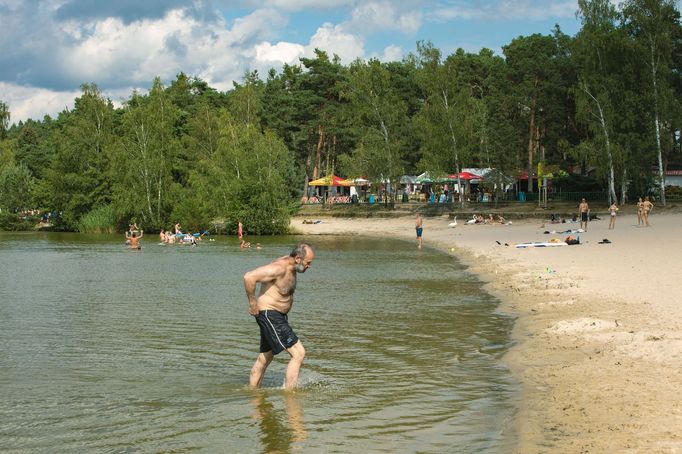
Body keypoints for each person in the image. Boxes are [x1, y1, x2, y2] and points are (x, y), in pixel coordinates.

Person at [244, 243, 314, 390]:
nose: (309, 266)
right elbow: (249, 277)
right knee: (299, 353)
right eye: (308, 263)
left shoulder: (292, 266)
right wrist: (252, 303)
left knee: (266, 356)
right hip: (270, 314)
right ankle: (290, 395)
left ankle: (253, 392)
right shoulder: (279, 268)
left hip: (277, 316)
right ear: (297, 258)